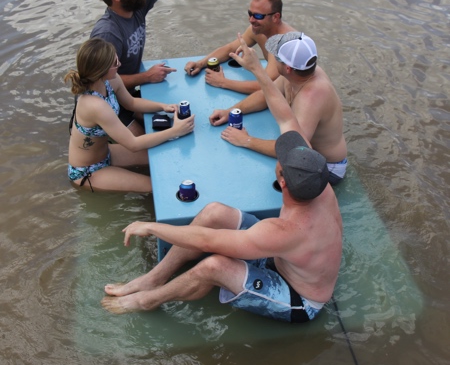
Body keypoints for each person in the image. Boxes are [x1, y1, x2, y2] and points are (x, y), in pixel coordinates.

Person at [101, 35, 343, 323]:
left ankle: (147, 299)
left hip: (299, 297)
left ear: (283, 181)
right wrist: (256, 69)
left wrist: (153, 227)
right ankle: (152, 278)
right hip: (286, 255)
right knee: (215, 212)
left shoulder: (285, 230)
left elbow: (207, 239)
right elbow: (286, 118)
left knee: (213, 266)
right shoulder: (317, 181)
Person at [91, 0, 225, 133]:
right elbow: (102, 81)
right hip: (109, 102)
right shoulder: (108, 33)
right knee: (151, 146)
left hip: (130, 93)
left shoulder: (137, 5)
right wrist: (146, 77)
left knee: (178, 120)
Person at [210, 32, 347, 185]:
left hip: (325, 167)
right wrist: (231, 111)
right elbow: (265, 96)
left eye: (276, 57)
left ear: (287, 68)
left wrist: (246, 140)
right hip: (305, 152)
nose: (273, 59)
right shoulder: (296, 74)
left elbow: (292, 147)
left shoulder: (312, 97)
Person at [65, 38, 195, 193]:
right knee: (155, 187)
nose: (119, 64)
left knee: (162, 157)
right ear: (102, 70)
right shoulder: (94, 105)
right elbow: (133, 144)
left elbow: (131, 103)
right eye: (114, 63)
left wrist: (162, 106)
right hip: (88, 171)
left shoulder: (110, 81)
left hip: (107, 152)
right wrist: (176, 131)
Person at [184, 0, 296, 94]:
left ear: (276, 17)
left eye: (257, 15)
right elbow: (230, 48)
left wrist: (222, 82)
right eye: (250, 13)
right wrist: (201, 63)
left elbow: (267, 86)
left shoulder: (283, 44)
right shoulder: (261, 29)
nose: (251, 20)